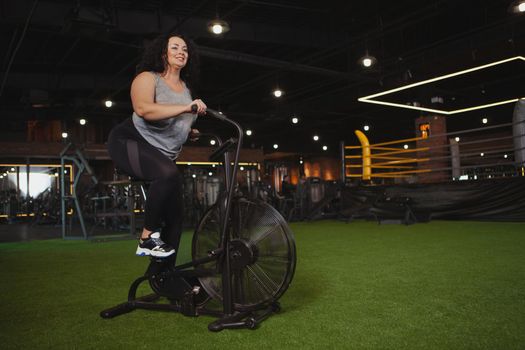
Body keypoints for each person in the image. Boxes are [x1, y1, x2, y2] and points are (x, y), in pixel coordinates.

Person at [107, 32, 206, 258]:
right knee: (168, 173)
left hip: (162, 154)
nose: (181, 52)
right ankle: (146, 237)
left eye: (185, 49)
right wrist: (186, 109)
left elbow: (173, 120)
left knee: (175, 219)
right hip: (129, 141)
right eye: (175, 48)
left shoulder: (187, 91)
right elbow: (144, 109)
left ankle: (164, 278)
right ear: (163, 52)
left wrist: (189, 132)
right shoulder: (148, 78)